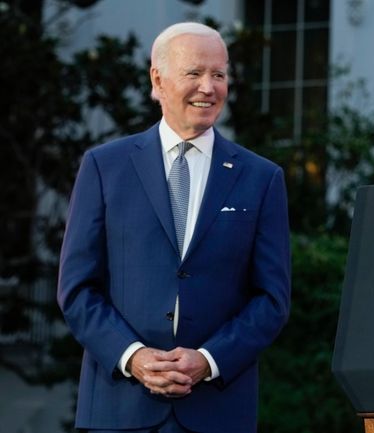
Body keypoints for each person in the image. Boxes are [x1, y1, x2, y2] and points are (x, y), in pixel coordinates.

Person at [57, 22, 291, 433]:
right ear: (157, 79)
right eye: (194, 73)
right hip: (119, 411)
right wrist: (133, 356)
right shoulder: (103, 167)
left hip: (218, 411)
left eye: (219, 74)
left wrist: (209, 360)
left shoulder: (261, 177)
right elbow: (77, 288)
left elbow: (272, 298)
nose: (208, 87)